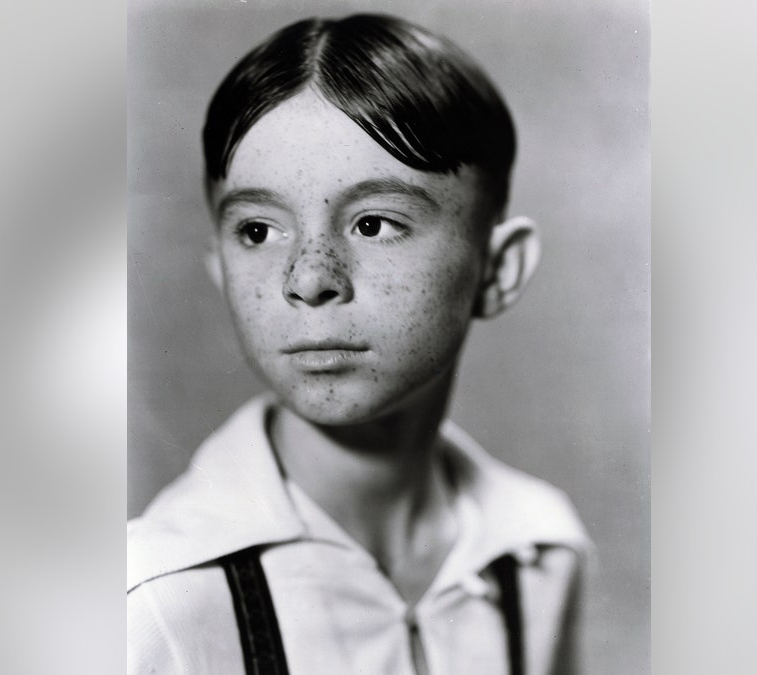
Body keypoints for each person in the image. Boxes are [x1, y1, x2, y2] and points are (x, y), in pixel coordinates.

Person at [128, 13, 602, 675]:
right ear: (221, 270)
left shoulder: (538, 552)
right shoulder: (155, 596)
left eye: (374, 222)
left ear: (499, 268)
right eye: (259, 231)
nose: (310, 277)